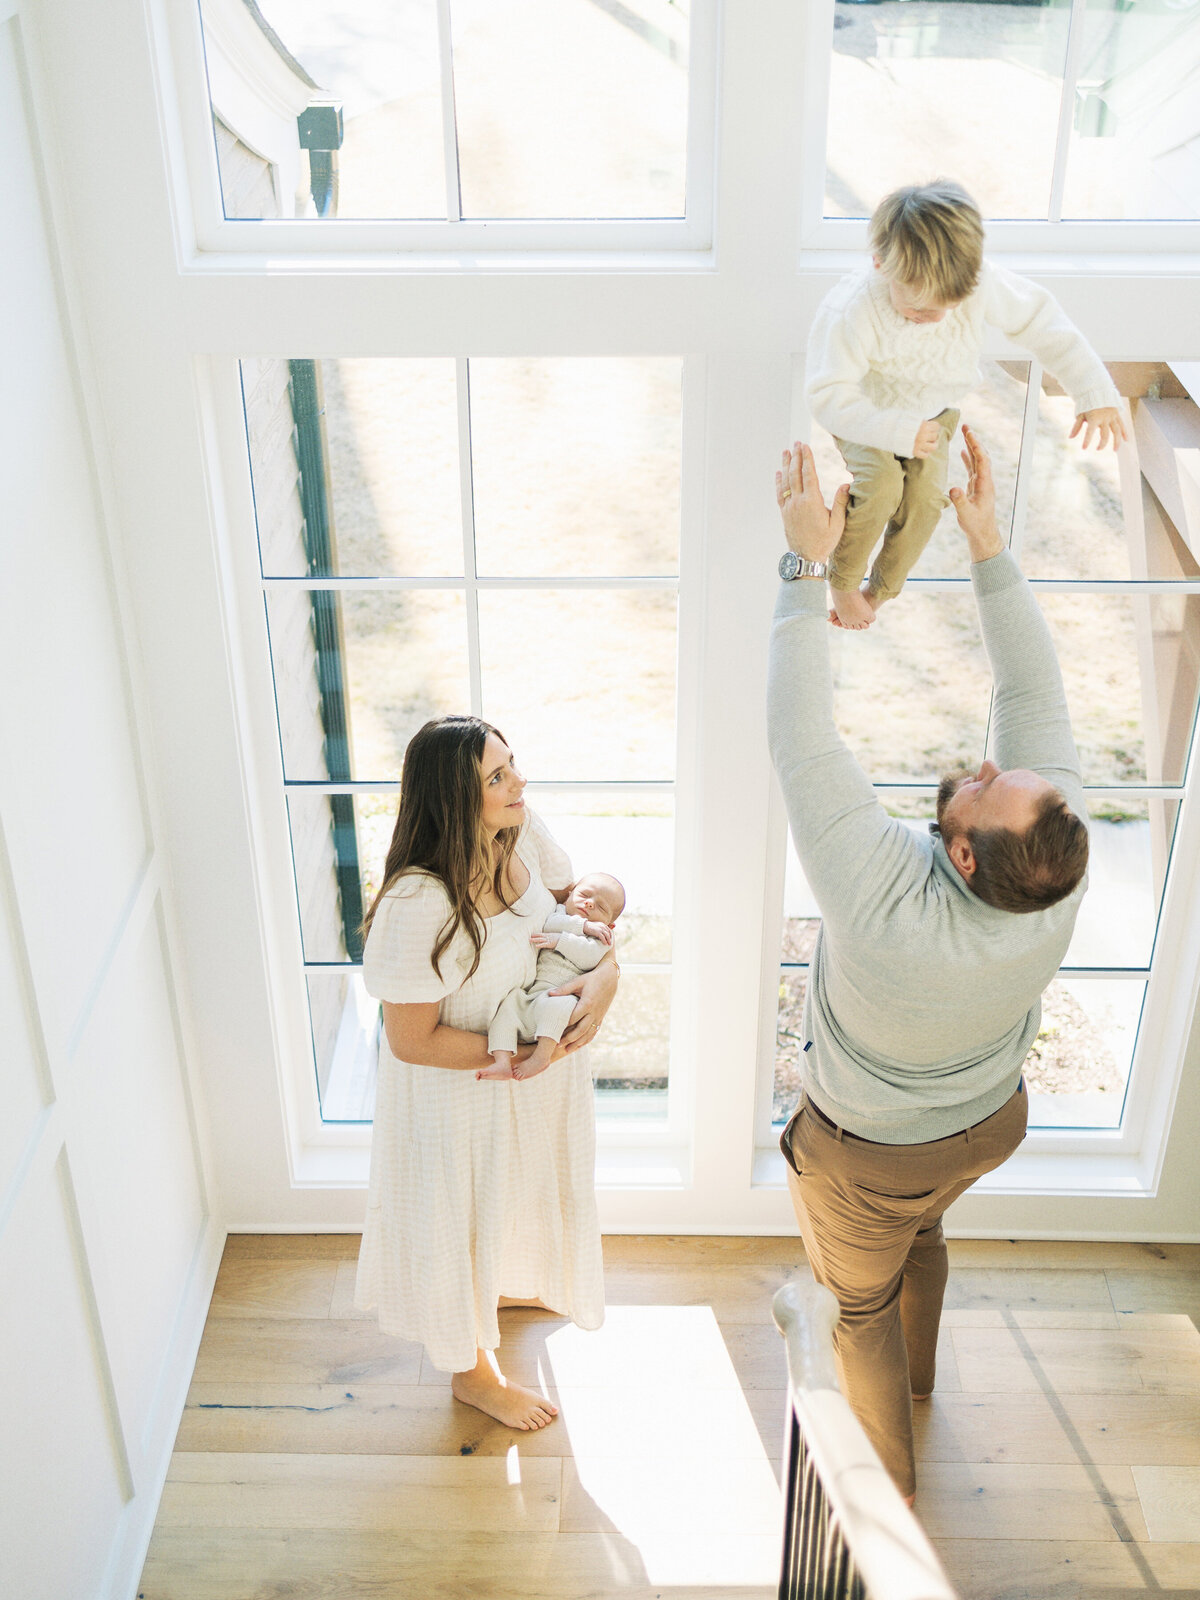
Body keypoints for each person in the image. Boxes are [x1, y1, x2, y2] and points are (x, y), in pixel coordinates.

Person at [768, 428, 1090, 1503]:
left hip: (867, 1157)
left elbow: (802, 736)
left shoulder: (883, 896)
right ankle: (923, 1384)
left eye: (988, 784)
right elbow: (1035, 691)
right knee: (924, 1237)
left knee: (856, 1306)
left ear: (960, 852)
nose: (993, 761)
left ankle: (887, 1512)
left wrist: (804, 563)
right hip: (985, 1123)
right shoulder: (1054, 869)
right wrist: (988, 542)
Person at [353, 715, 619, 1431]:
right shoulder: (420, 903)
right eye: (496, 777)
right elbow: (412, 1041)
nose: (518, 782)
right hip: (460, 1092)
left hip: (528, 1078)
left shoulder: (519, 832)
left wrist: (603, 983)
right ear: (452, 800)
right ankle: (472, 1374)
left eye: (512, 764)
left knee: (518, 1192)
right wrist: (524, 1054)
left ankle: (497, 1290)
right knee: (458, 1218)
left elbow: (581, 920)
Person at [806, 178, 1126, 631]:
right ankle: (842, 580)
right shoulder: (851, 310)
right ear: (880, 265)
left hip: (933, 415)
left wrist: (1092, 390)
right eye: (917, 309)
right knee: (881, 489)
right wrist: (895, 431)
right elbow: (827, 395)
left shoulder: (979, 284)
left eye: (945, 307)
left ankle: (876, 593)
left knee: (925, 503)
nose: (932, 317)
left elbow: (1042, 320)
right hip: (867, 415)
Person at [479, 872, 626, 1082]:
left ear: (610, 926)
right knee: (509, 1006)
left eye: (601, 907)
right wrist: (582, 926)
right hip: (534, 995)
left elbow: (588, 958)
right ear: (569, 895)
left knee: (560, 1006)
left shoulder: (601, 938)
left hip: (563, 996)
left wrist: (559, 940)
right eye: (584, 894)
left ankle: (541, 1056)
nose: (590, 904)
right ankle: (502, 1061)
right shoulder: (558, 914)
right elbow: (549, 924)